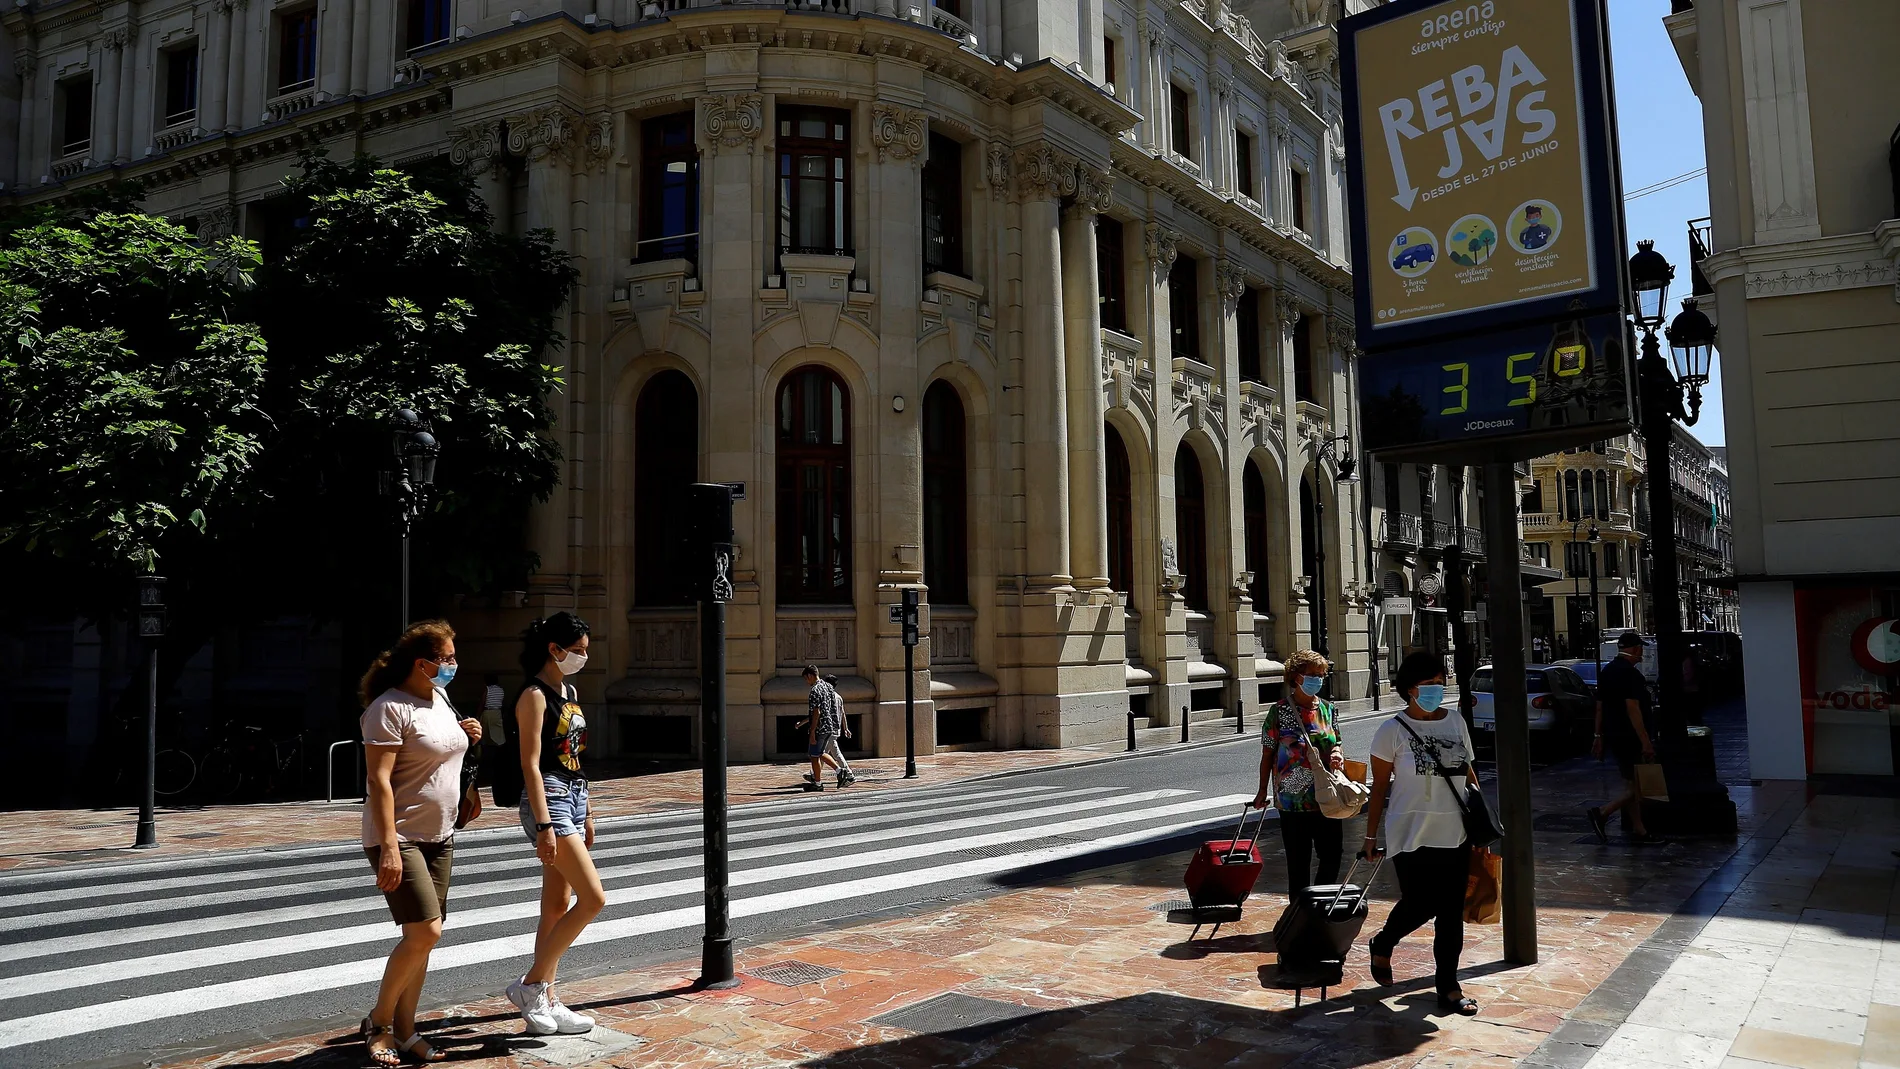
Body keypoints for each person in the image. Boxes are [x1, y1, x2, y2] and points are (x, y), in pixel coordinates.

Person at [358, 621, 484, 1065]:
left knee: (425, 939)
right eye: (447, 658)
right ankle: (380, 1024)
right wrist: (389, 847)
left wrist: (470, 737)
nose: (453, 665)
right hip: (400, 836)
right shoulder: (389, 708)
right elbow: (379, 781)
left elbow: (445, 757)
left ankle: (408, 1029)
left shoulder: (442, 699)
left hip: (441, 835)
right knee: (425, 931)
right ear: (422, 663)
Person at [1364, 651, 1480, 1017]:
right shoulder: (1391, 731)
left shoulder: (1456, 722)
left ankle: (1449, 985)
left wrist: (1481, 816)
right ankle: (1383, 942)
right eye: (1428, 684)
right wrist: (1369, 837)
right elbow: (1379, 788)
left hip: (1454, 829)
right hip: (1409, 828)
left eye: (1439, 682)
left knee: (1450, 912)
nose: (1436, 689)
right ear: (1409, 689)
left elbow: (1467, 771)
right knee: (1421, 901)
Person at [504, 613, 604, 1036]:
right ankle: (531, 986)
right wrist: (544, 824)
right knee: (593, 898)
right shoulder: (534, 695)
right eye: (577, 650)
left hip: (574, 796)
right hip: (549, 797)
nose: (583, 656)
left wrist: (590, 811)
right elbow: (529, 762)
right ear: (554, 649)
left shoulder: (569, 690)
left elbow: (575, 756)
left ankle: (548, 996)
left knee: (555, 906)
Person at [1250, 649, 1346, 896]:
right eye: (1313, 674)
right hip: (1293, 800)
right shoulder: (1279, 711)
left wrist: (1337, 753)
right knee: (1298, 863)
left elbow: (1337, 741)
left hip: (1328, 797)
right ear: (1296, 676)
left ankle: (1320, 903)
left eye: (1322, 674)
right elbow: (1267, 753)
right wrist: (1262, 790)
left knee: (1333, 855)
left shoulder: (1328, 709)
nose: (1319, 679)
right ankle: (1299, 914)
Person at [1586, 631, 1663, 845]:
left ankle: (1640, 830)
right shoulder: (1631, 675)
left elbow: (1599, 707)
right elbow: (1633, 708)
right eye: (1641, 649)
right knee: (1645, 785)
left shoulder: (1608, 671)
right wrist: (1645, 741)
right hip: (1631, 738)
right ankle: (1603, 812)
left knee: (1631, 784)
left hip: (1615, 735)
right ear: (1636, 649)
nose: (1642, 654)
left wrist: (1598, 735)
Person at [799, 666, 857, 790]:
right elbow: (834, 708)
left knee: (815, 756)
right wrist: (836, 725)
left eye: (806, 679)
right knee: (820, 753)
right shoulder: (828, 687)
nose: (806, 682)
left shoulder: (815, 690)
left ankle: (820, 783)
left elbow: (816, 711)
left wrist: (813, 730)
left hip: (820, 727)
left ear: (810, 676)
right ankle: (838, 772)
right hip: (829, 726)